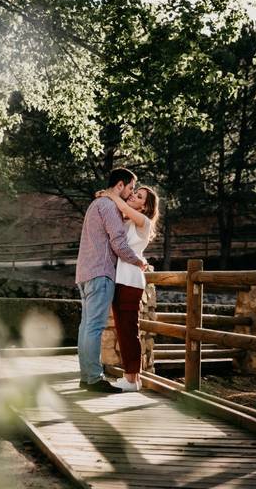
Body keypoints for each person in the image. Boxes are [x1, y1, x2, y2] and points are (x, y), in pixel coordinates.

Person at [75, 167, 149, 393]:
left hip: (85, 273)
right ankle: (94, 378)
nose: (131, 192)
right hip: (101, 272)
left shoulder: (96, 204)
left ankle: (86, 376)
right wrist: (138, 261)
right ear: (120, 186)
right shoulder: (108, 206)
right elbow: (119, 242)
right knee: (94, 327)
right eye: (130, 188)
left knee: (86, 326)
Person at [99, 184, 160, 391]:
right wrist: (106, 197)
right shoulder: (128, 222)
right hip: (121, 280)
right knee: (124, 330)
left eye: (139, 196)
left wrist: (111, 194)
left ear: (145, 206)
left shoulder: (144, 222)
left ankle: (131, 380)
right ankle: (134, 378)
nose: (133, 195)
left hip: (131, 282)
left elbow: (123, 208)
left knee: (129, 331)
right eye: (135, 192)